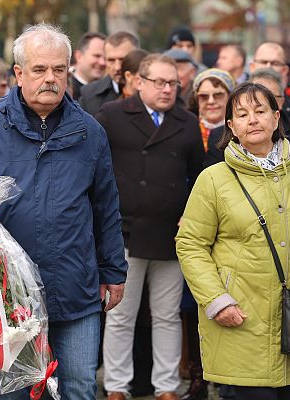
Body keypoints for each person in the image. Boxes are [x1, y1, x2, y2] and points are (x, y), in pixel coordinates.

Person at [0, 23, 128, 400]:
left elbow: (106, 206)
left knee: (79, 387)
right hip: (7, 292)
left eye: (59, 69)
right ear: (19, 73)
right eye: (40, 70)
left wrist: (113, 271)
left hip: (75, 285)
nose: (50, 78)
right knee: (11, 390)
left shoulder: (90, 132)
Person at [176, 82, 290, 400]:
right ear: (231, 127)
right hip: (241, 318)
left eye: (260, 111)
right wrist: (217, 300)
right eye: (241, 114)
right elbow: (190, 244)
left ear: (276, 117)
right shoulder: (214, 179)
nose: (252, 119)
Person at [96, 53, 205, 400]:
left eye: (173, 83)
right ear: (139, 81)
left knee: (167, 315)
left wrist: (190, 212)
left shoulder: (187, 122)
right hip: (124, 233)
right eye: (159, 82)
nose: (167, 89)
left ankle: (166, 388)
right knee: (121, 314)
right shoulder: (113, 115)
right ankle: (115, 386)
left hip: (170, 236)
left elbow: (198, 176)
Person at [79, 31, 138, 115]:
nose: (117, 67)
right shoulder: (89, 95)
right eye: (111, 60)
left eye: (122, 60)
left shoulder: (154, 90)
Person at [187, 68, 235, 163]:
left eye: (218, 95)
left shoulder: (240, 131)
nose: (211, 101)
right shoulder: (186, 128)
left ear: (230, 97)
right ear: (196, 99)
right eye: (204, 96)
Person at [70, 32, 107, 100]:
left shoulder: (109, 92)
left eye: (106, 58)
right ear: (79, 56)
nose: (102, 63)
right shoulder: (63, 88)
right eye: (97, 56)